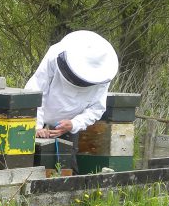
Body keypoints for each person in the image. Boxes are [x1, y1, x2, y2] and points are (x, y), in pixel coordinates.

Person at [24, 30, 119, 171]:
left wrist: (74, 124)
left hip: (68, 126)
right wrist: (36, 126)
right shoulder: (55, 54)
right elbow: (36, 90)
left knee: (68, 166)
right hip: (38, 119)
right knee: (28, 161)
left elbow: (97, 108)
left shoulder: (103, 75)